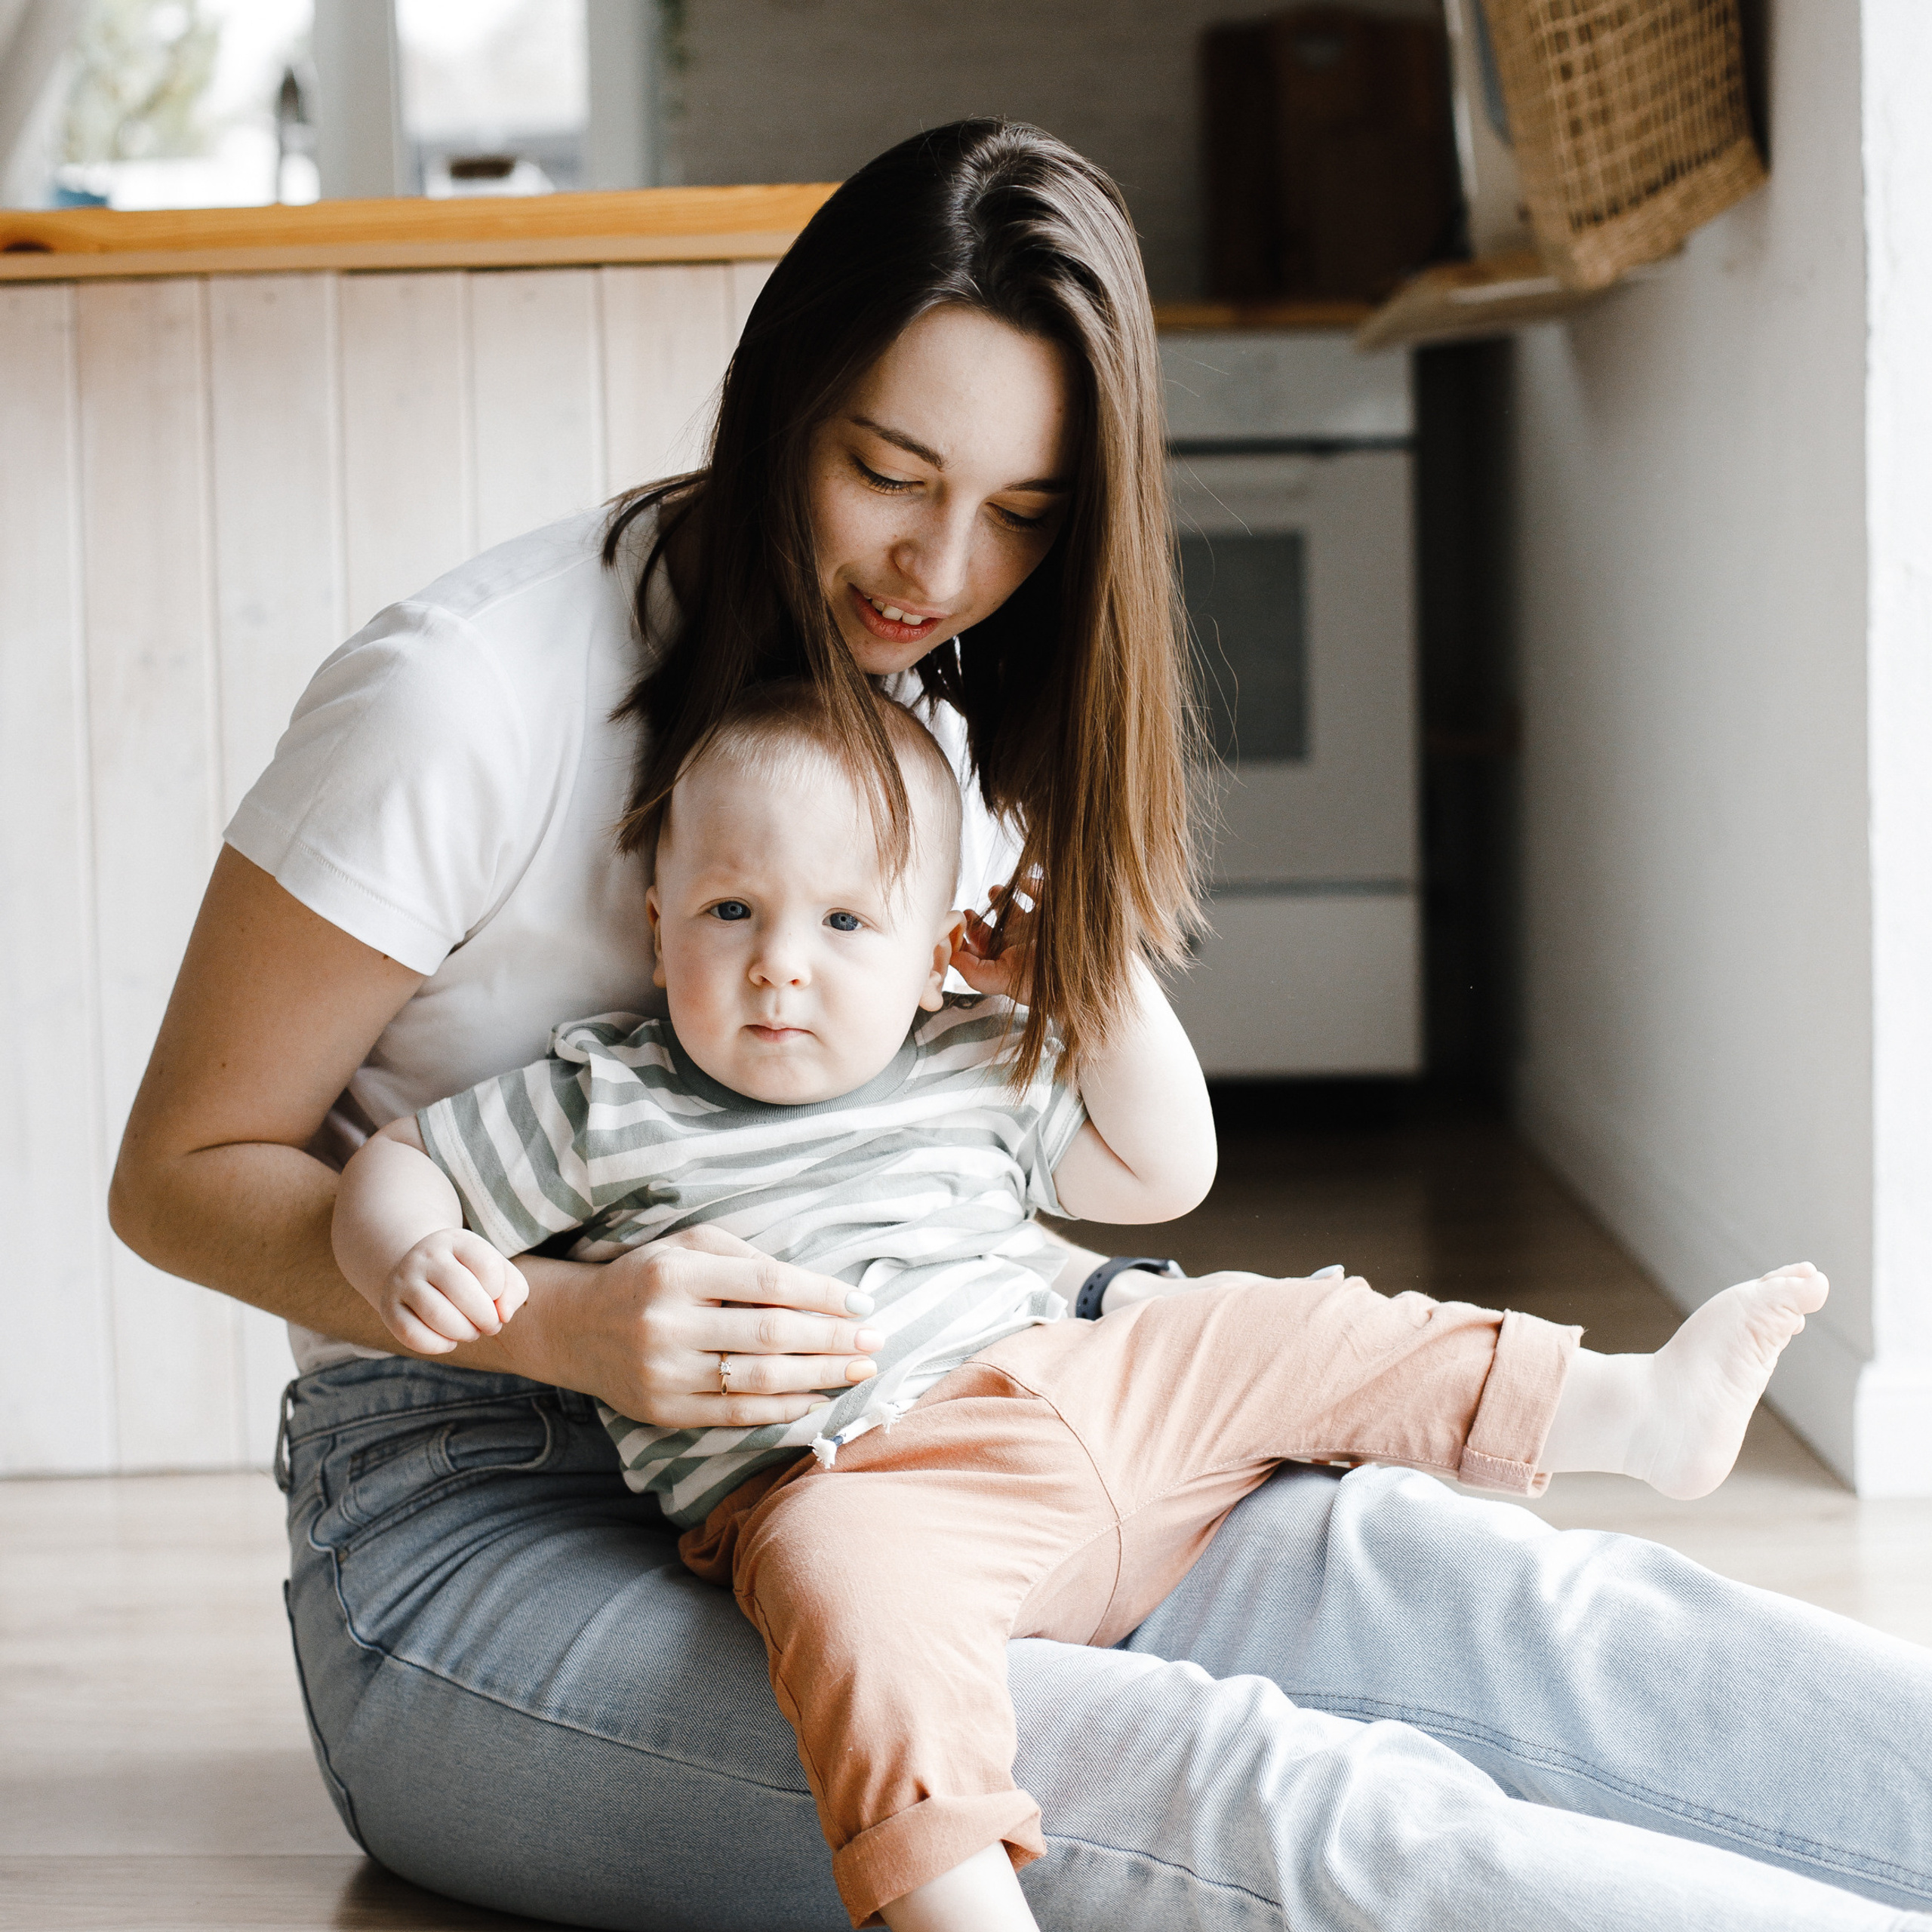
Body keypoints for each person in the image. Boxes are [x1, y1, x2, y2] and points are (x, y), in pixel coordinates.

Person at [106, 118, 1932, 1932]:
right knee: (1263, 1804)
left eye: (1025, 516)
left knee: (1544, 1625)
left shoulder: (931, 708)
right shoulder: (467, 697)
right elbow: (178, 1173)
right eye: (889, 472)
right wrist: (571, 1324)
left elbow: (1113, 1158)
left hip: (978, 1388)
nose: (940, 570)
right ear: (778, 404)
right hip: (486, 1501)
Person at [329, 680, 1836, 1932]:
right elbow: (395, 1160)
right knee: (854, 1635)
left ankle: (1630, 1408)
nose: (779, 965)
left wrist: (1091, 981)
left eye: (844, 923)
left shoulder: (973, 1058)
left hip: (1090, 1386)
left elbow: (1164, 1167)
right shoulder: (607, 1094)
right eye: (731, 908)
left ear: (931, 950)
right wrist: (415, 1254)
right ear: (657, 918)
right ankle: (957, 1902)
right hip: (859, 1475)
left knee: (1286, 1323)